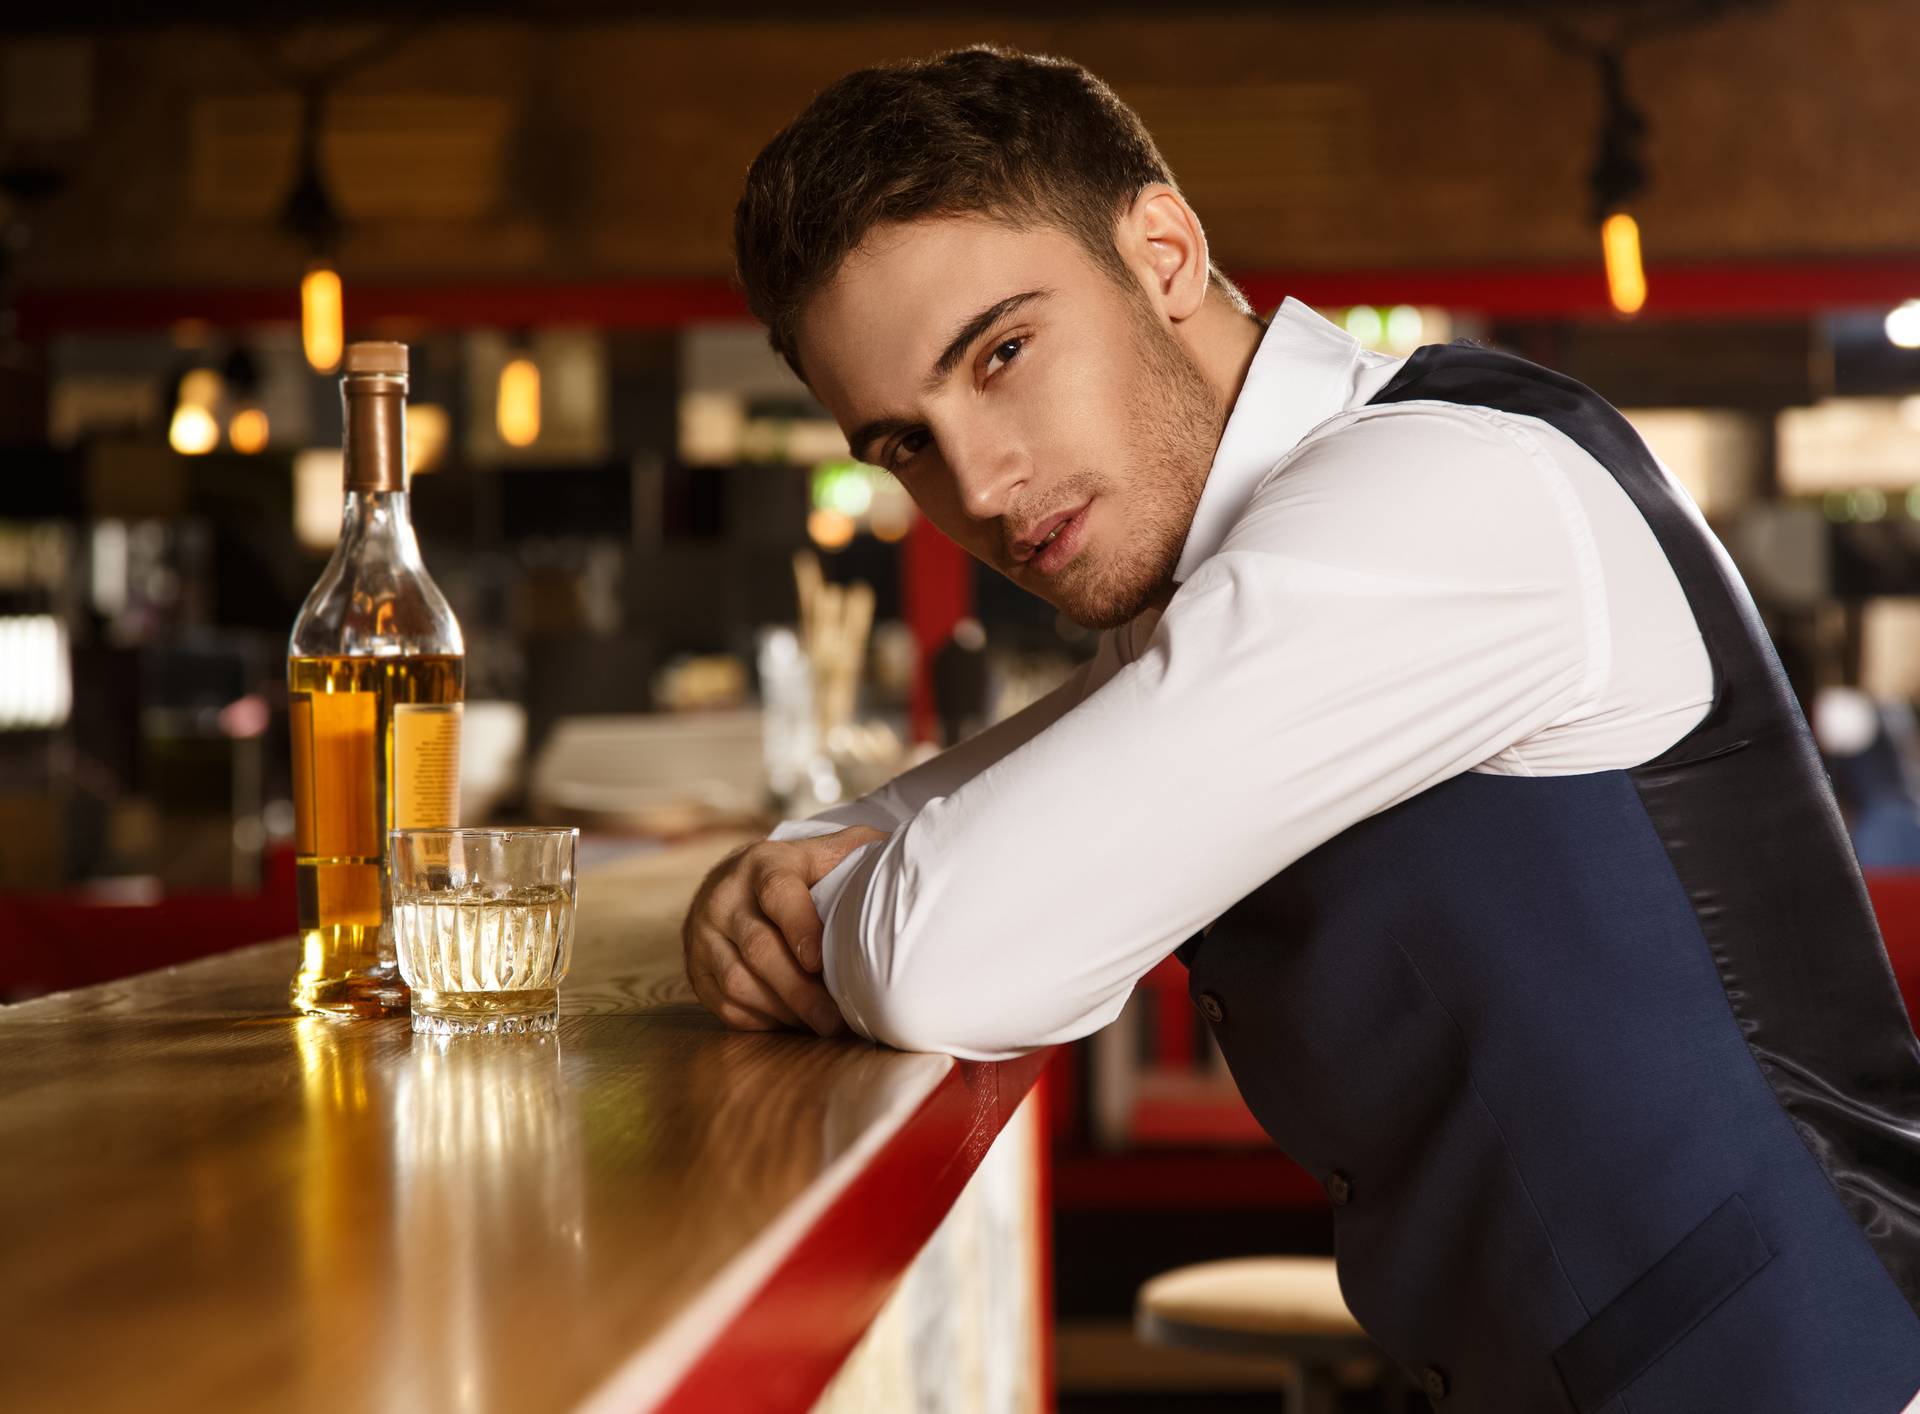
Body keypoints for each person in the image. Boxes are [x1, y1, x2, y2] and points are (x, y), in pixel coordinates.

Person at [681, 43, 1920, 1413]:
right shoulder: (1240, 569)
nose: (976, 478)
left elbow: (944, 954)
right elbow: (940, 815)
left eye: (1004, 354)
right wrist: (800, 859)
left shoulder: (1436, 493)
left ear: (1160, 251)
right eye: (902, 441)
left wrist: (820, 899)